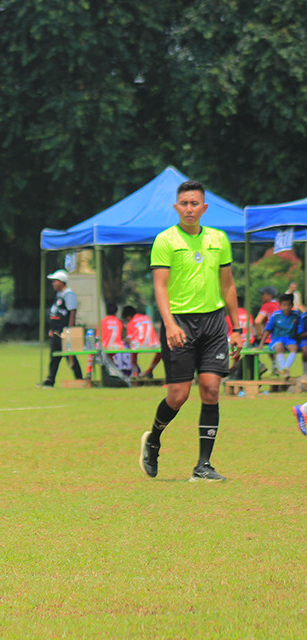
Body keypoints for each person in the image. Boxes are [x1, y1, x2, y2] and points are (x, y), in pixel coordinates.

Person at [139, 181, 241, 483]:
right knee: (178, 395)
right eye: (184, 203)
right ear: (176, 207)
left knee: (211, 389)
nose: (189, 209)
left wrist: (236, 328)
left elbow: (228, 285)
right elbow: (159, 287)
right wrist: (169, 324)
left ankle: (203, 465)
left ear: (204, 207)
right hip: (179, 323)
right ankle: (154, 439)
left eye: (195, 203)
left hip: (213, 323)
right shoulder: (165, 240)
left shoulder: (219, 239)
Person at [40, 269, 83, 388]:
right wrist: (52, 328)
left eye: (55, 281)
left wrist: (69, 329)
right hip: (56, 331)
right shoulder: (59, 295)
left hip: (63, 331)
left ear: (62, 282)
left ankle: (79, 377)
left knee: (69, 355)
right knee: (54, 355)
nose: (53, 284)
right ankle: (50, 379)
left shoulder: (68, 294)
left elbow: (72, 311)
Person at [261, 292, 299, 380]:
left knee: (294, 348)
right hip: (277, 339)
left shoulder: (295, 315)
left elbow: (299, 328)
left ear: (292, 305)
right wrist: (261, 343)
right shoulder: (276, 315)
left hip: (289, 339)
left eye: (289, 305)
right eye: (284, 305)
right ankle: (283, 369)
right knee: (279, 347)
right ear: (280, 305)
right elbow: (268, 330)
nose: (287, 307)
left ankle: (285, 368)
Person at [122, 305, 162, 378]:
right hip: (153, 344)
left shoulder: (131, 323)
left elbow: (129, 339)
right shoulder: (147, 318)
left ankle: (134, 373)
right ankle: (149, 371)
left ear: (128, 317)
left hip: (139, 345)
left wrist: (123, 341)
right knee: (161, 353)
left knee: (132, 351)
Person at [99, 302, 131, 375]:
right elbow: (122, 336)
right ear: (116, 312)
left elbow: (98, 337)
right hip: (118, 349)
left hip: (106, 348)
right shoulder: (119, 322)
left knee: (92, 353)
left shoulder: (102, 322)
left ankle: (89, 373)